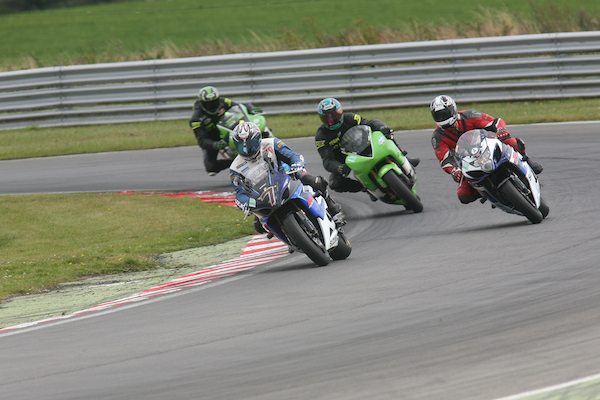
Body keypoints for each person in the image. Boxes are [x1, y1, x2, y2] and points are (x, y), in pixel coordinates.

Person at [230, 122, 344, 235]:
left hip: (285, 175)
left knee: (313, 180)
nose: (246, 149)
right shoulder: (235, 168)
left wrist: (296, 165)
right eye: (241, 145)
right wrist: (245, 203)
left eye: (250, 144)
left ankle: (333, 209)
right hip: (263, 195)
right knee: (259, 226)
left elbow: (291, 155)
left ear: (258, 139)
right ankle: (288, 235)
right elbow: (239, 192)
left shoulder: (271, 143)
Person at [430, 94, 544, 204]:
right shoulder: (437, 137)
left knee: (512, 142)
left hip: (488, 147)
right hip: (468, 163)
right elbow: (444, 159)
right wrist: (454, 171)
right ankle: (486, 192)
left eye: (444, 114)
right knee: (463, 195)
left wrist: (501, 130)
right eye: (438, 116)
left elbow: (495, 122)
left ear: (452, 109)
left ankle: (527, 161)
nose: (442, 118)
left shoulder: (469, 115)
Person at [314, 97, 420, 201]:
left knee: (386, 134)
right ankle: (366, 188)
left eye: (334, 115)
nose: (331, 120)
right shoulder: (321, 137)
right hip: (345, 159)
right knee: (335, 184)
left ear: (340, 111)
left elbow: (370, 123)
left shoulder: (351, 118)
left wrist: (382, 128)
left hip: (363, 143)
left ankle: (403, 156)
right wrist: (339, 167)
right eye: (327, 118)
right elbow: (327, 160)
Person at [189, 85, 258, 176]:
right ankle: (236, 162)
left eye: (214, 102)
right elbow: (202, 140)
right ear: (202, 103)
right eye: (208, 103)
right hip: (213, 137)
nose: (212, 105)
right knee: (211, 167)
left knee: (254, 126)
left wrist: (250, 108)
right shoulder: (196, 119)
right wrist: (215, 144)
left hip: (231, 127)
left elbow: (239, 107)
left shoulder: (223, 101)